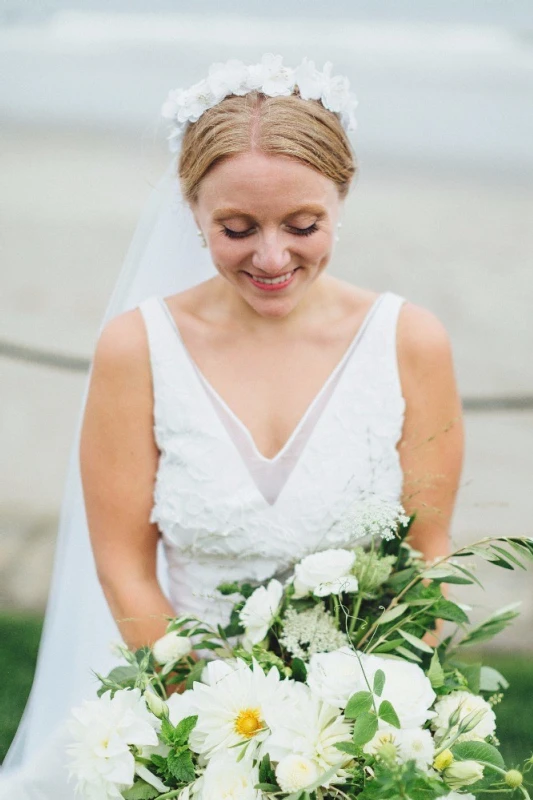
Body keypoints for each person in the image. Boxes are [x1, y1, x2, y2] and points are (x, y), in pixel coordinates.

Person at [0, 54, 464, 797]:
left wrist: (362, 727)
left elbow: (427, 554)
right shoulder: (135, 348)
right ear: (191, 211)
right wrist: (224, 731)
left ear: (341, 198)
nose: (271, 256)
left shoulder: (410, 342)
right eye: (237, 228)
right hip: (193, 724)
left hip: (357, 726)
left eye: (303, 224)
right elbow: (123, 564)